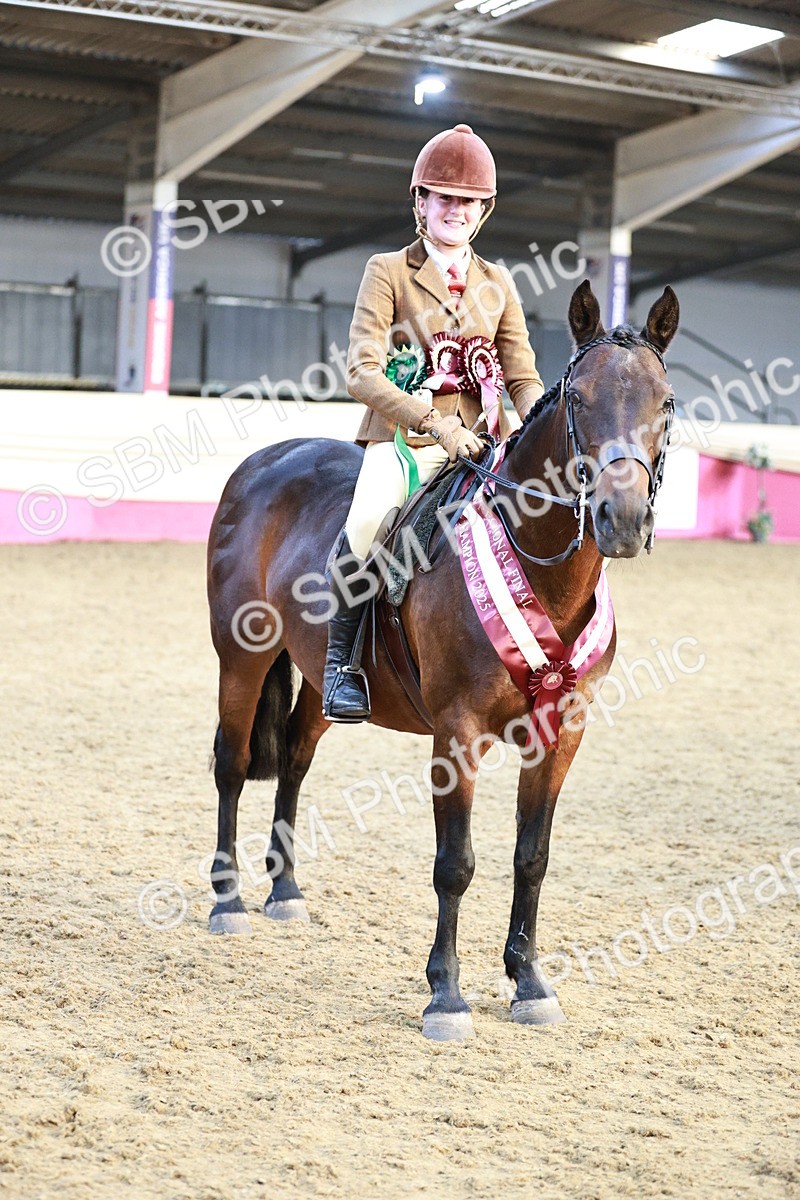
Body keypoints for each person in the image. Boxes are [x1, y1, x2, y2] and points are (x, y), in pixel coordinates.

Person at [322, 122, 545, 722]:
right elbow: (361, 372)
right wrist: (436, 424)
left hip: (483, 448)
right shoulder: (387, 270)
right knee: (368, 521)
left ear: (483, 212)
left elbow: (523, 376)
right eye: (444, 198)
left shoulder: (499, 284)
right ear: (420, 202)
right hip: (403, 442)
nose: (456, 211)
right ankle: (340, 663)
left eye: (468, 202)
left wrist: (542, 430)